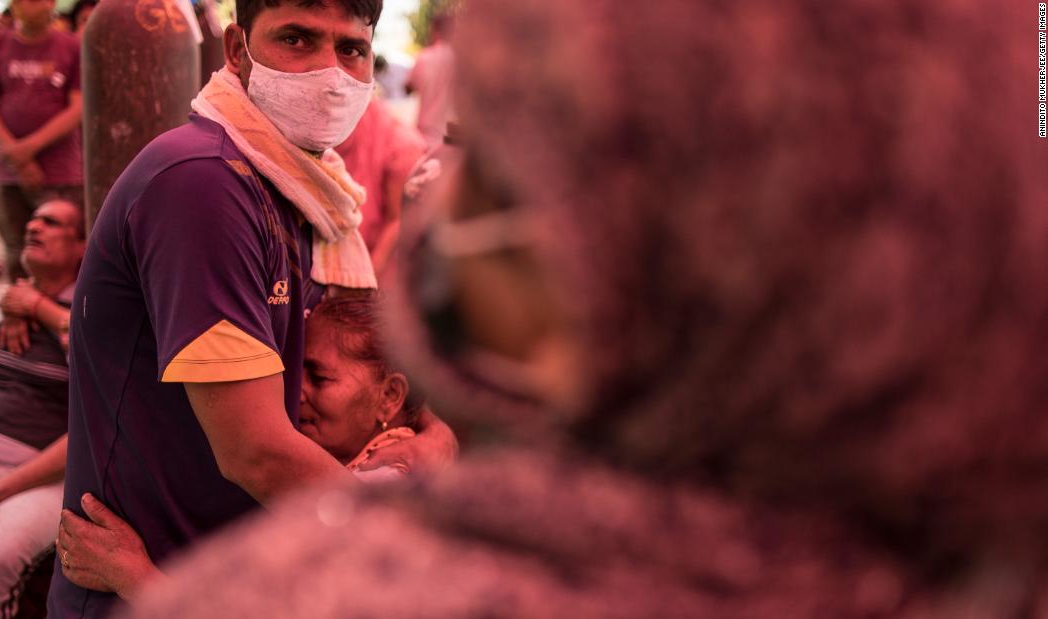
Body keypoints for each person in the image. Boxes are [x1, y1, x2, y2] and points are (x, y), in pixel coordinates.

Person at [107, 0, 1048, 617]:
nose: (447, 190)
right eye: (299, 40)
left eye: (495, 153)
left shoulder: (306, 594)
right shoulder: (983, 564)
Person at [47, 1, 456, 617]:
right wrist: (412, 549)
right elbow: (255, 450)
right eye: (297, 39)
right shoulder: (205, 182)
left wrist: (436, 438)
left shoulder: (297, 187)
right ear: (237, 49)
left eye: (351, 50)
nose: (329, 73)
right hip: (151, 579)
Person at [56, 293, 436, 599]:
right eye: (292, 372)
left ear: (390, 395)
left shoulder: (384, 491)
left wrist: (134, 578)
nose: (295, 391)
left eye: (319, 377)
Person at [0, 199, 83, 619]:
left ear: (82, 247)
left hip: (37, 472)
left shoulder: (91, 315)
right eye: (31, 220)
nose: (34, 226)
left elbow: (90, 431)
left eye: (51, 222)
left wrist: (38, 309)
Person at [0, 0, 82, 282]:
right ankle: (18, 315)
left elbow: (77, 107)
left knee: (61, 253)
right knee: (16, 249)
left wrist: (27, 148)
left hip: (59, 171)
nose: (28, 5)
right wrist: (15, 153)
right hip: (9, 171)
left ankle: (57, 317)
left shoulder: (70, 46)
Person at [334, 97, 425, 275]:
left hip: (378, 268)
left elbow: (397, 220)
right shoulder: (327, 128)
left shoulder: (402, 146)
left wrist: (365, 284)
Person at [405, 12, 453, 150]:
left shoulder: (424, 57)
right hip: (453, 136)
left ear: (435, 30)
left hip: (425, 136)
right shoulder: (463, 60)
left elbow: (408, 88)